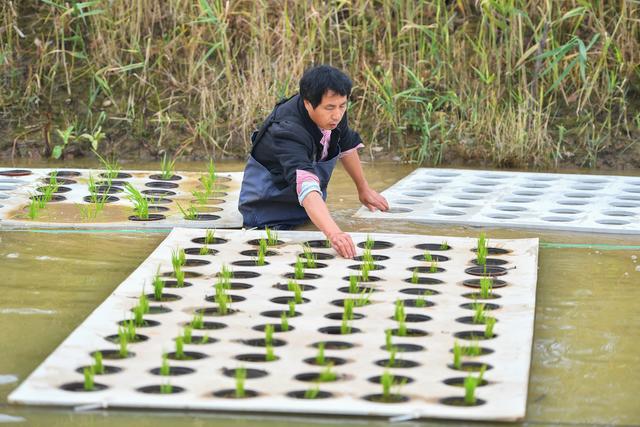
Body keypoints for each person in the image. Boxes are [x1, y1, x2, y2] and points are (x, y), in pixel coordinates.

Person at [239, 65, 389, 258]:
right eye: (330, 107)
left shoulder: (333, 114)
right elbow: (306, 186)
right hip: (267, 214)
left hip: (307, 211)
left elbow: (345, 144)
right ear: (308, 103)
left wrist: (363, 188)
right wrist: (334, 233)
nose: (337, 114)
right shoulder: (287, 130)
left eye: (342, 106)